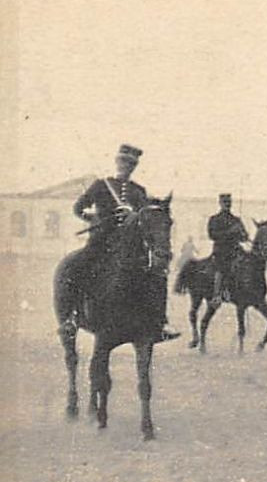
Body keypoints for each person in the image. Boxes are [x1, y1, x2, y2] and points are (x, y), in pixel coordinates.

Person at [61, 143, 180, 341]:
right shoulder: (101, 185)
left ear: (134, 167)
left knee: (157, 274)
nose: (127, 167)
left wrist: (132, 214)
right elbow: (78, 208)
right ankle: (71, 317)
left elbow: (145, 217)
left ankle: (159, 322)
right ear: (117, 162)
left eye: (131, 164)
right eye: (124, 162)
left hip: (128, 243)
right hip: (101, 240)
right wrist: (94, 218)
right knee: (76, 265)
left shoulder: (139, 191)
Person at [207, 192, 249, 303]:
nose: (227, 204)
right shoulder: (214, 219)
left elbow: (244, 237)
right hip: (221, 251)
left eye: (229, 202)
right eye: (225, 202)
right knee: (221, 268)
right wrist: (230, 232)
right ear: (220, 203)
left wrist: (243, 235)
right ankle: (217, 294)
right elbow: (212, 235)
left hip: (236, 250)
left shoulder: (236, 220)